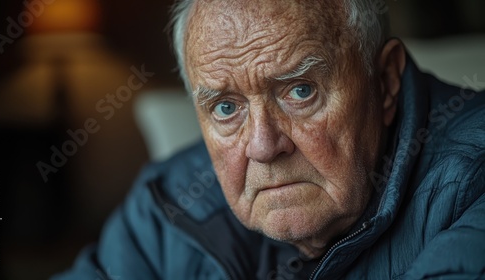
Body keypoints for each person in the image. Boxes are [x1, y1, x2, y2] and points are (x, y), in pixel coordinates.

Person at [53, 0, 485, 279]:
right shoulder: (168, 204)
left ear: (386, 81)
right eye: (226, 107)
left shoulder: (473, 178)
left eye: (300, 91)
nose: (263, 145)